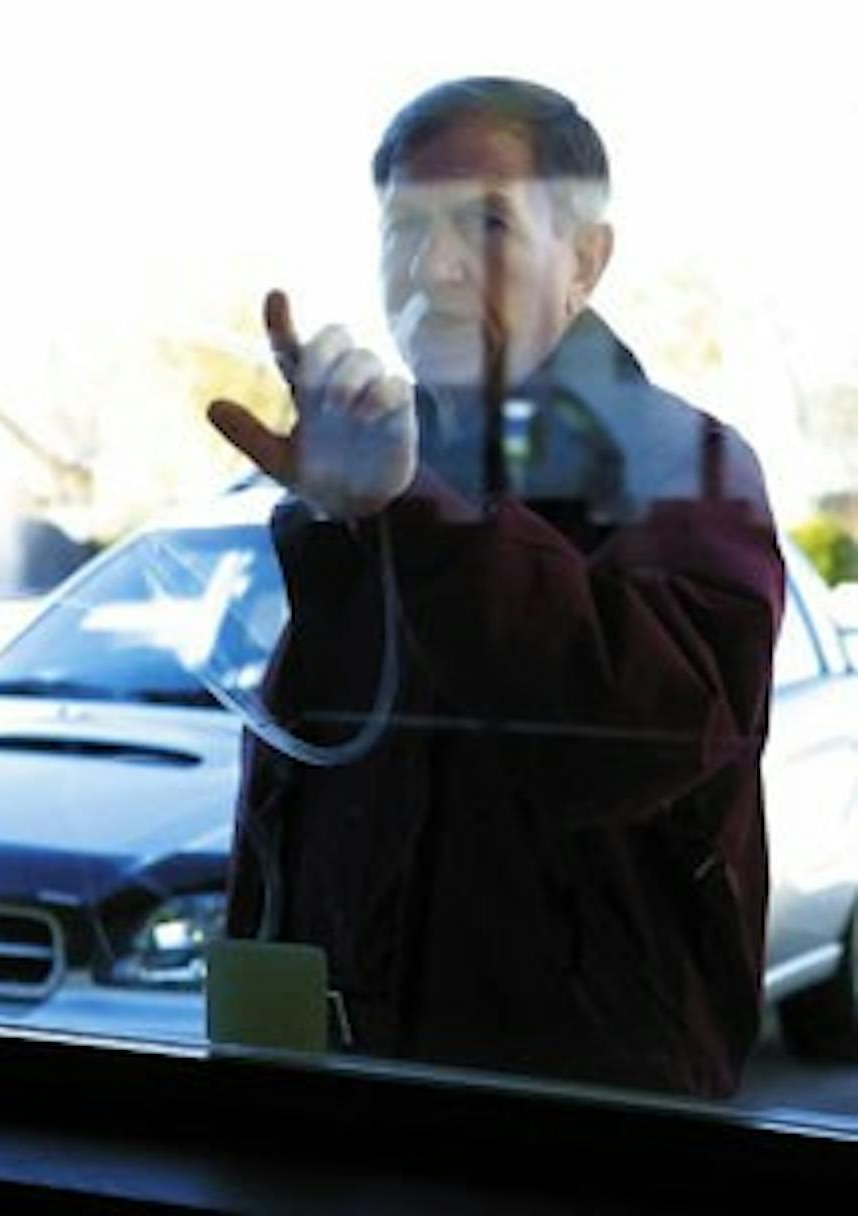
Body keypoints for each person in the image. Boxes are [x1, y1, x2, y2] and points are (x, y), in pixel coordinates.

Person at [207, 77, 785, 1098]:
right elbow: (298, 795)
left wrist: (412, 513)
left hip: (575, 1124)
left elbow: (638, 742)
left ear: (586, 261)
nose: (431, 266)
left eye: (486, 222)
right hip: (356, 1099)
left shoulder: (680, 464)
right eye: (402, 230)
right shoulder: (383, 471)